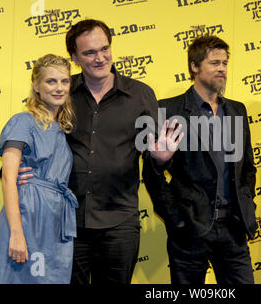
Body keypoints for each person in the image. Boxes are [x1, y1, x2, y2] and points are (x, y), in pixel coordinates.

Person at [17, 19, 171, 284]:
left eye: (104, 49)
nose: (100, 58)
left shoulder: (141, 94)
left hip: (120, 221)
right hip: (67, 222)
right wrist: (17, 169)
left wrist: (159, 159)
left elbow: (155, 153)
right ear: (75, 57)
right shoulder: (61, 92)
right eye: (89, 52)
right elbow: (34, 139)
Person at [143, 35, 258, 284]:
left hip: (233, 228)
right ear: (194, 67)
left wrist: (247, 203)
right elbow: (151, 173)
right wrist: (175, 218)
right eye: (214, 63)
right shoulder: (167, 110)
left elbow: (247, 167)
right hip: (190, 228)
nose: (222, 69)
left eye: (225, 63)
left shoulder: (237, 110)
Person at [0, 54, 77, 283]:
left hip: (55, 221)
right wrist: (16, 234)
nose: (59, 88)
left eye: (64, 81)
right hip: (28, 216)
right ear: (36, 85)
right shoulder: (23, 121)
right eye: (51, 81)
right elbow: (8, 178)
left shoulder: (61, 129)